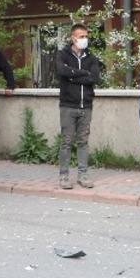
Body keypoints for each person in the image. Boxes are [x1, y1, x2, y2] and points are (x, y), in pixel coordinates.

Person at [55, 23, 103, 189]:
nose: (85, 39)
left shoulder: (91, 57)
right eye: (81, 36)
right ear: (73, 38)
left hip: (86, 106)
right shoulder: (63, 55)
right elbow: (62, 71)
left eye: (86, 36)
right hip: (68, 106)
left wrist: (73, 76)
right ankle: (64, 176)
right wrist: (84, 73)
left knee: (83, 142)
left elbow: (95, 78)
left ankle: (83, 175)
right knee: (67, 142)